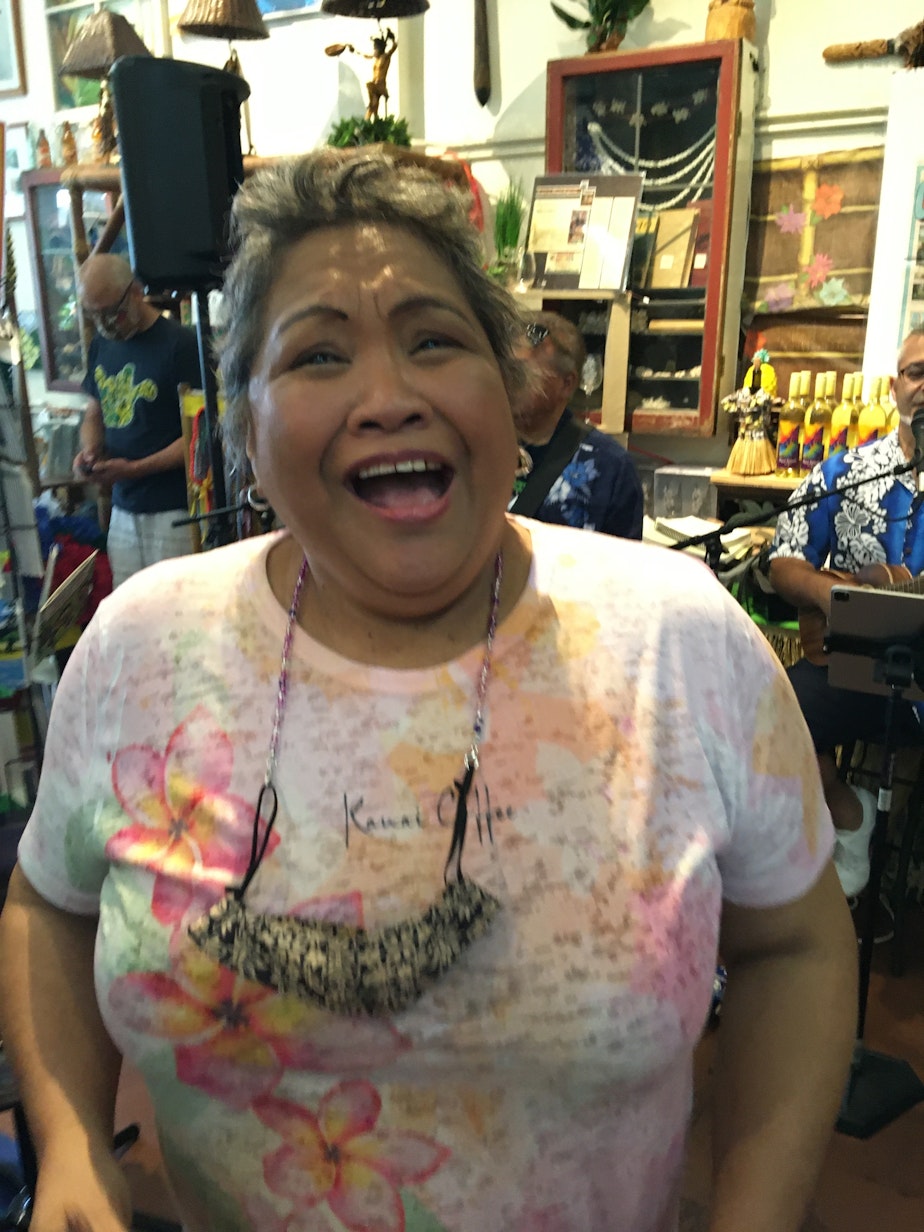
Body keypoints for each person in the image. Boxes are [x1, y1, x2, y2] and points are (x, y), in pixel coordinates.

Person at [0, 148, 855, 1232]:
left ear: (510, 391)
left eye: (434, 340)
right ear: (247, 431)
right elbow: (48, 899)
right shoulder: (140, 645)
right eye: (317, 354)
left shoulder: (677, 640)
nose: (388, 397)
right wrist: (73, 1143)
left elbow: (796, 942)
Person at [769, 331, 924, 898]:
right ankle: (846, 812)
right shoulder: (847, 470)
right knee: (768, 712)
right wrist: (826, 593)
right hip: (853, 670)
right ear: (895, 388)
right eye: (916, 372)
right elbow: (784, 560)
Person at [73, 253, 200, 588]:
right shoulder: (101, 344)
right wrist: (90, 451)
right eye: (93, 315)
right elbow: (94, 410)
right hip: (123, 510)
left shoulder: (181, 345)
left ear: (135, 292)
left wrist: (135, 468)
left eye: (110, 313)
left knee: (176, 610)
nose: (104, 325)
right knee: (129, 610)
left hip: (174, 511)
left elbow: (201, 432)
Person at [509, 310, 644, 538]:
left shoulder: (610, 468)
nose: (510, 382)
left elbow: (620, 568)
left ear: (567, 384)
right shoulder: (478, 446)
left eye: (525, 374)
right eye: (508, 370)